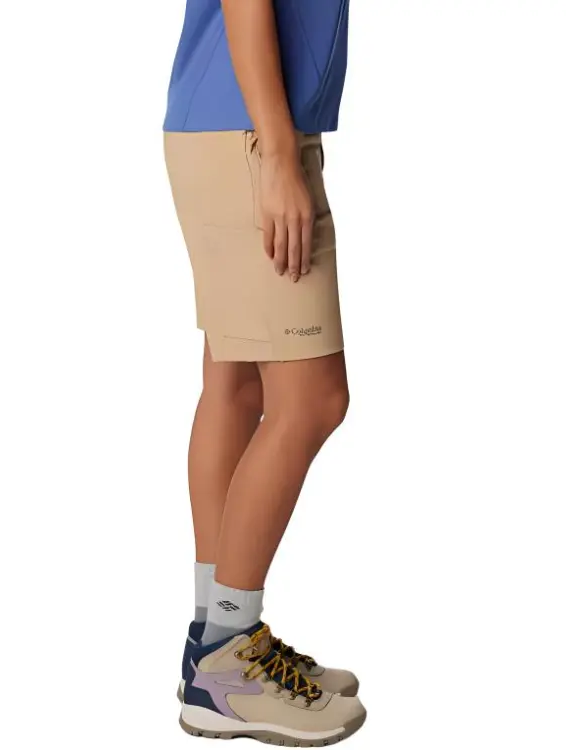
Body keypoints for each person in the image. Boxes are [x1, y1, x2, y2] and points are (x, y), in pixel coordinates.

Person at [163, 0, 365, 744]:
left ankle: (214, 640)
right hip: (251, 133)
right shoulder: (264, 142)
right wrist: (278, 157)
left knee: (236, 383)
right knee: (312, 400)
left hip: (229, 124)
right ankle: (227, 664)